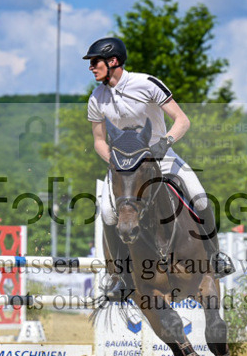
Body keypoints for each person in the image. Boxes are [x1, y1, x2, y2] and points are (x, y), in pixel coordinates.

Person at [84, 36, 234, 299]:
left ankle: (215, 256)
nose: (91, 67)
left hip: (160, 155)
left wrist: (165, 143)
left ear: (113, 61)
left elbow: (182, 120)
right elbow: (98, 140)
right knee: (108, 213)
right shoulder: (97, 98)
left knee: (199, 197)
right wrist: (116, 162)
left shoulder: (147, 84)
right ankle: (120, 277)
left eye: (95, 62)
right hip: (124, 168)